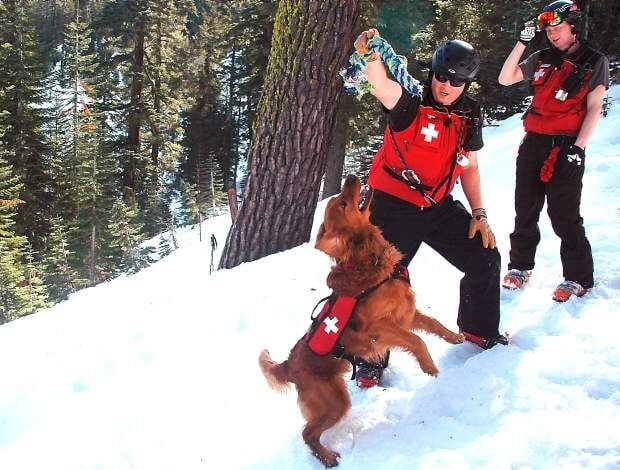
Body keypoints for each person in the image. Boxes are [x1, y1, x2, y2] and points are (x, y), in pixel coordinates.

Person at [352, 29, 507, 388]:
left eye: (457, 81)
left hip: (436, 203)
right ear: (432, 73)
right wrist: (370, 57)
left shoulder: (469, 113)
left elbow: (471, 164)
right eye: (442, 76)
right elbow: (382, 87)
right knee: (378, 282)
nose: (447, 86)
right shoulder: (411, 104)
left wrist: (480, 213)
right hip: (393, 206)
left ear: (467, 84)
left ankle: (479, 330)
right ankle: (369, 358)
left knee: (485, 257)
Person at [498, 0, 609, 302]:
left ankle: (577, 277)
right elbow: (505, 78)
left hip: (566, 145)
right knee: (525, 208)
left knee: (564, 214)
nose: (553, 35)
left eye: (558, 28)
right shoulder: (541, 57)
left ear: (573, 26)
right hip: (534, 142)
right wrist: (522, 42)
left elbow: (594, 108)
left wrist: (578, 149)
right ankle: (520, 267)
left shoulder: (593, 60)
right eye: (549, 30)